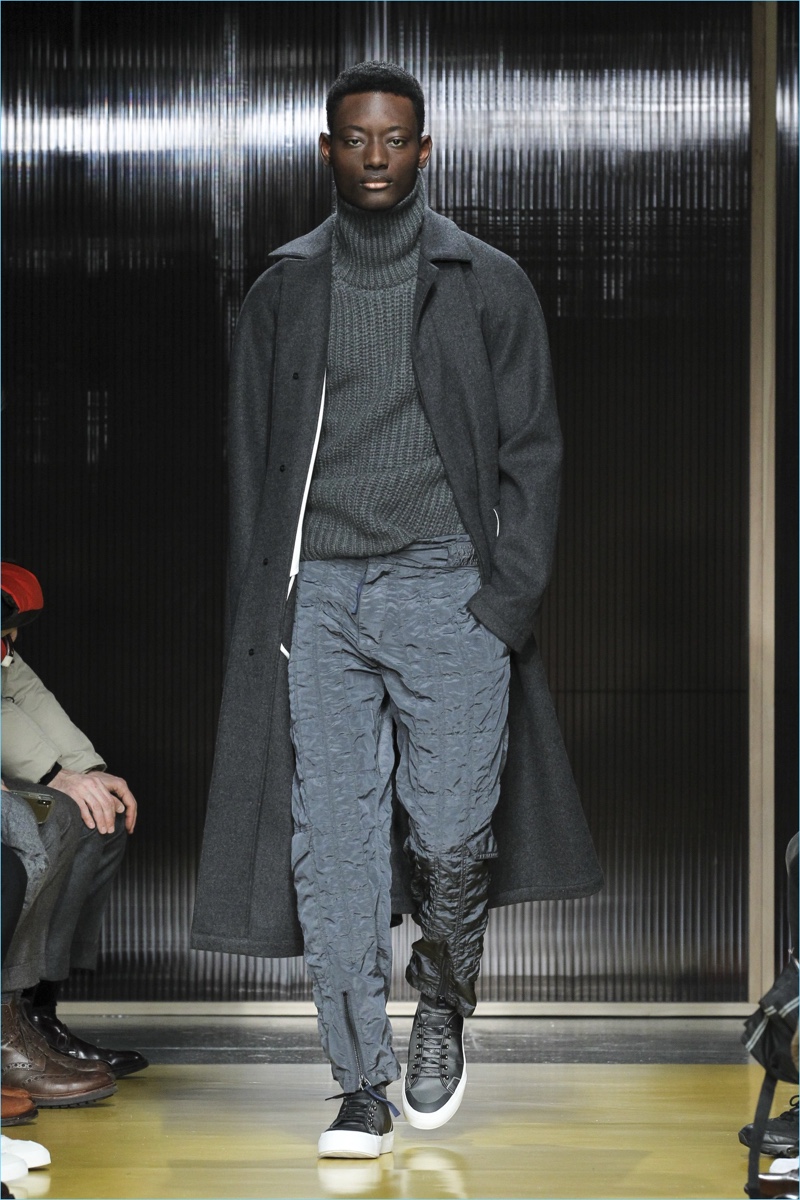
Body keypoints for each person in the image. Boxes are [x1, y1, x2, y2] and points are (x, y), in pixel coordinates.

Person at [192, 61, 603, 1158]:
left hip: (446, 587)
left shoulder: (484, 282)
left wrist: (501, 602)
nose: (374, 156)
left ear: (424, 150)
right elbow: (251, 469)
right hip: (321, 596)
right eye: (355, 138)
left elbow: (533, 450)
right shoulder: (284, 290)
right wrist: (268, 612)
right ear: (326, 150)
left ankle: (442, 1010)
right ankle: (359, 1083)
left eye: (394, 139)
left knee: (452, 832)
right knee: (331, 844)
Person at [0, 562, 148, 1087]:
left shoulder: (4, 645)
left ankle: (38, 1011)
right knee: (63, 813)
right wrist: (56, 775)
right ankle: (9, 1014)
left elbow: (26, 694)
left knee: (100, 816)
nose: (12, 641)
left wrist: (87, 770)